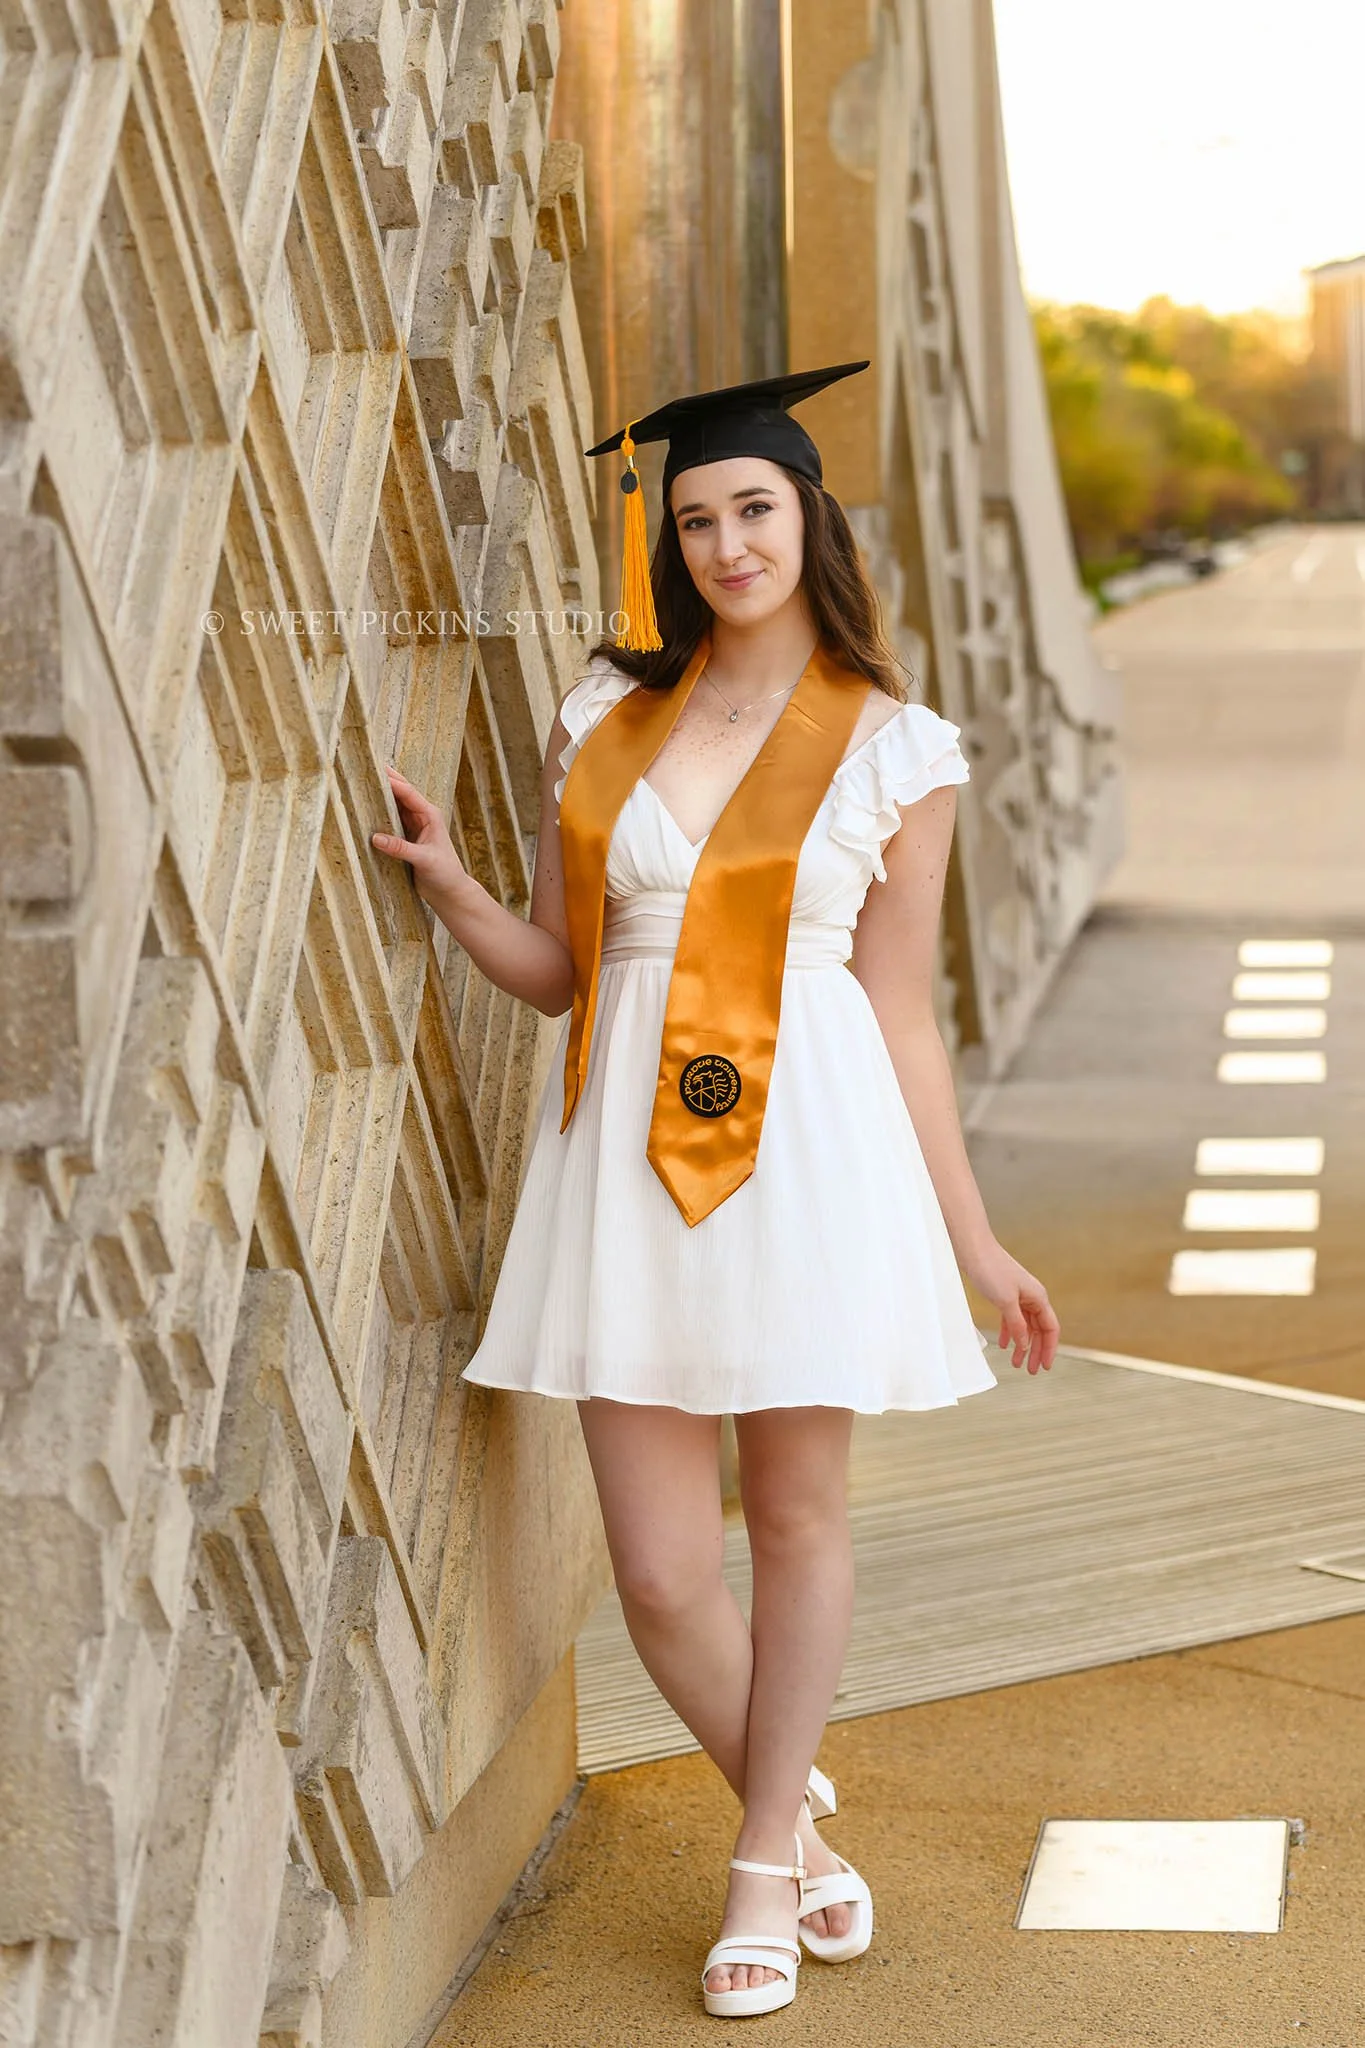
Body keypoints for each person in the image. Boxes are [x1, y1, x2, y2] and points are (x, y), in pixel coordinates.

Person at [371, 361, 1060, 2019]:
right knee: (666, 1569)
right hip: (625, 1152)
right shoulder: (605, 714)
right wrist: (455, 883)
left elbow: (903, 1006)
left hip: (811, 1144)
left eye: (753, 508)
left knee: (801, 1518)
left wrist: (971, 1236)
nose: (727, 542)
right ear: (669, 545)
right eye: (696, 519)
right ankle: (803, 1826)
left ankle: (761, 1865)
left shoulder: (901, 748)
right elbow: (557, 972)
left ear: (807, 518)